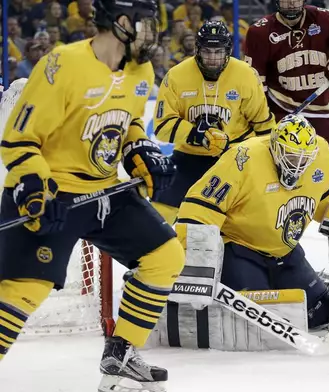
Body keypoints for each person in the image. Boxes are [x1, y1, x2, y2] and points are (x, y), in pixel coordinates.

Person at [0, 0, 185, 390]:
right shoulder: (62, 65)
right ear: (121, 23)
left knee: (164, 255)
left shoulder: (140, 69)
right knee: (21, 295)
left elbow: (128, 123)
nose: (154, 34)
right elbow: (19, 139)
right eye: (147, 24)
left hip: (105, 193)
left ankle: (121, 355)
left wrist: (141, 151)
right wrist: (33, 186)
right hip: (53, 193)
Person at [173, 114, 329, 346]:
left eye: (303, 159)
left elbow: (323, 195)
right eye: (290, 156)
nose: (297, 165)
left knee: (320, 315)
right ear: (275, 147)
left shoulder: (320, 152)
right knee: (255, 321)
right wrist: (194, 266)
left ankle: (314, 283)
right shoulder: (243, 158)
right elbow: (201, 206)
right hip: (240, 249)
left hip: (285, 251)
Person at [243, 0, 329, 278]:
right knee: (273, 184)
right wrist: (262, 126)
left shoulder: (325, 19)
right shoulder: (260, 32)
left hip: (326, 116)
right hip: (284, 116)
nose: (291, 3)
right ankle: (270, 250)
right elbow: (254, 86)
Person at [151, 20, 275, 225]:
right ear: (197, 50)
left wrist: (268, 162)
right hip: (189, 157)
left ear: (228, 50)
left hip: (234, 157)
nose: (213, 58)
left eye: (219, 52)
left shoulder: (245, 74)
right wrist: (195, 134)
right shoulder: (176, 76)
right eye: (207, 51)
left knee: (248, 221)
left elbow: (262, 125)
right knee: (158, 215)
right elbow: (162, 128)